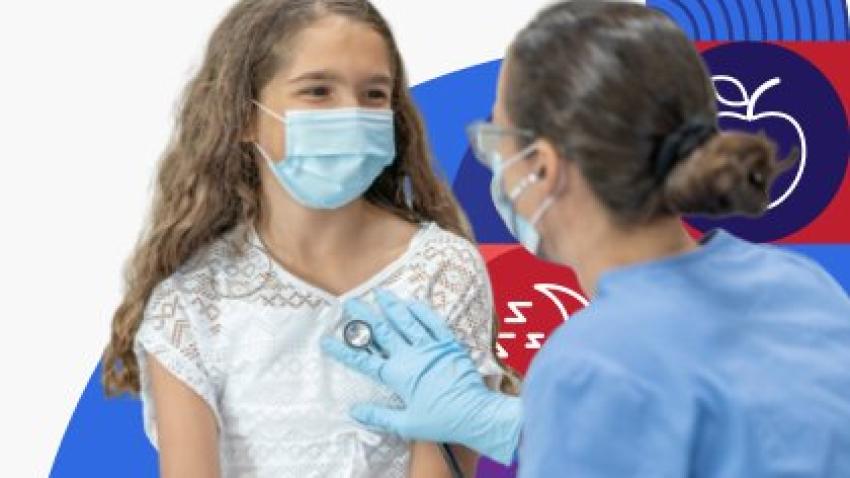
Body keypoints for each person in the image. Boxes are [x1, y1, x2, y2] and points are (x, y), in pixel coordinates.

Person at [322, 2, 850, 476]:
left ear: (543, 168)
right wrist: (517, 423)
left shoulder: (591, 365)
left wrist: (564, 414)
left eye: (497, 140)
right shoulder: (801, 285)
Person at [100, 1, 511, 476]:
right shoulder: (192, 304)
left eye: (374, 94)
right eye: (318, 90)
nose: (352, 114)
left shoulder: (442, 272)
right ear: (243, 116)